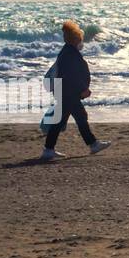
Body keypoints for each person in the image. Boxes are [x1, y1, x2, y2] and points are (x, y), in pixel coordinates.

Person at [41, 20, 111, 162]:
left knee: (60, 121)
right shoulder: (70, 53)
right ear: (75, 38)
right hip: (68, 92)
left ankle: (48, 150)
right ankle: (93, 144)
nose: (81, 41)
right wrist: (83, 89)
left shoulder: (67, 51)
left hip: (65, 91)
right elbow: (72, 75)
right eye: (79, 38)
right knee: (80, 117)